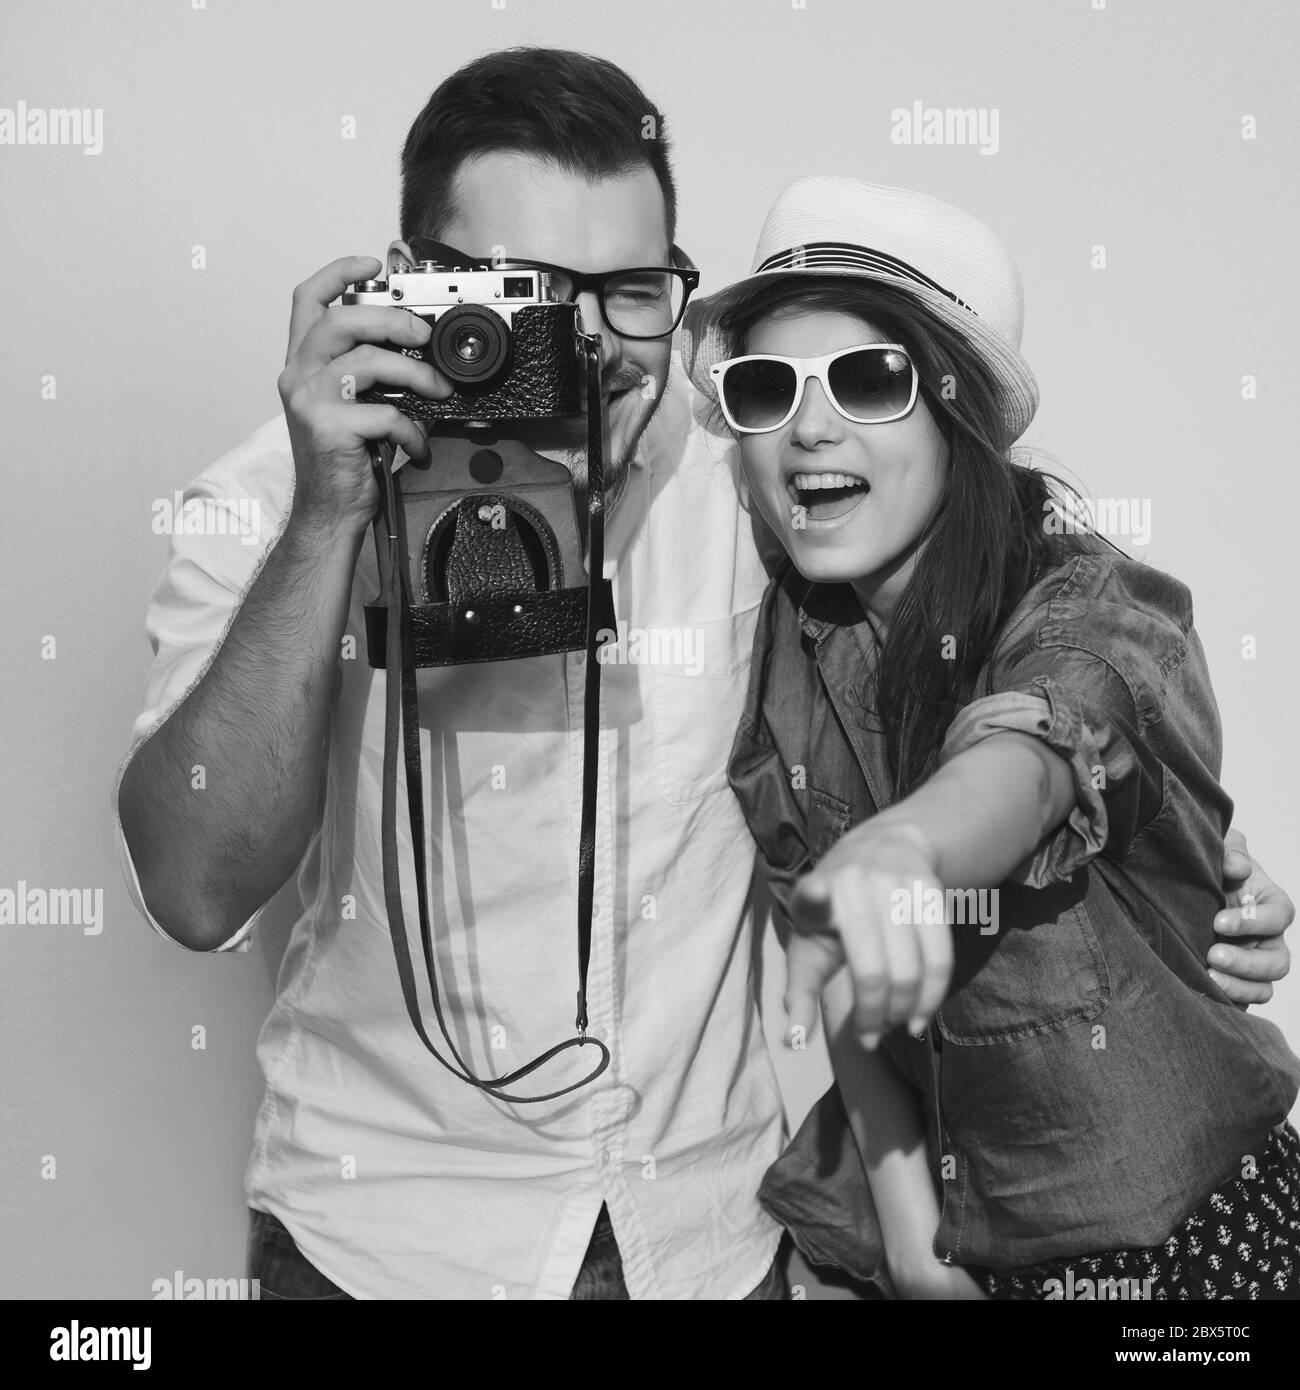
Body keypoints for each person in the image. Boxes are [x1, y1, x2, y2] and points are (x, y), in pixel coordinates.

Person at [113, 51, 1292, 1300]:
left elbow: (1003, 640)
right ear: (419, 286)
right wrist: (328, 520)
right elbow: (193, 887)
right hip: (384, 1241)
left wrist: (1160, 852)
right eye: (529, 293)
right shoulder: (274, 501)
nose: (583, 342)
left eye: (627, 292)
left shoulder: (741, 477)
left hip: (705, 1241)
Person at [683, 174, 1300, 1298]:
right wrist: (918, 1251)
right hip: (930, 1252)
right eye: (765, 387)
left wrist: (908, 850)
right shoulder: (789, 638)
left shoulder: (1088, 604)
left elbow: (1038, 744)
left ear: (955, 410)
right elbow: (851, 974)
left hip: (1181, 1255)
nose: (807, 424)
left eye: (868, 380)